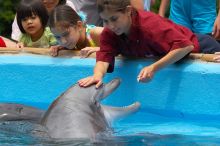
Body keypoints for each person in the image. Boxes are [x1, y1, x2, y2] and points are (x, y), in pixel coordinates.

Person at [78, 0, 220, 88]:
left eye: (114, 19)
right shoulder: (110, 32)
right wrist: (97, 75)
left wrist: (154, 67)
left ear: (128, 11)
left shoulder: (149, 24)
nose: (111, 25)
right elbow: (104, 56)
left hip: (203, 47)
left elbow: (185, 46)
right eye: (106, 21)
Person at [11, 0, 76, 41]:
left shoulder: (68, 6)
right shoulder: (25, 9)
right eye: (25, 19)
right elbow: (16, 40)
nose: (46, 1)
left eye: (33, 17)